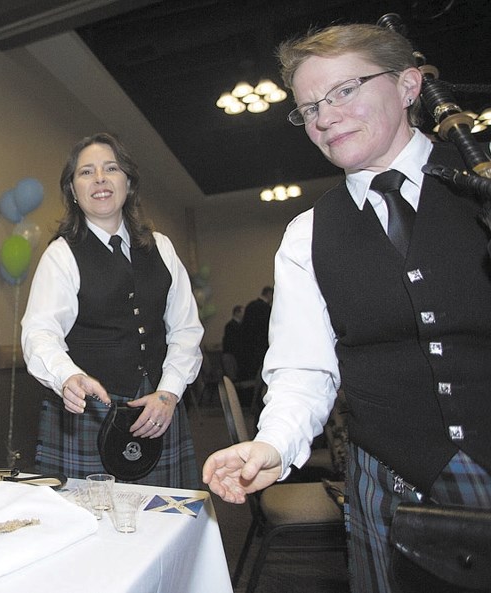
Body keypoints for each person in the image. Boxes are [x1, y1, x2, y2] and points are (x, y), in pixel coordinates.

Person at [202, 23, 491, 593]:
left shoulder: (479, 185)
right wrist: (274, 445)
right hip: (391, 480)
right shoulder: (306, 236)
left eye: (345, 91)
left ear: (409, 85)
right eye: (309, 108)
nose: (325, 117)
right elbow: (306, 369)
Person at [21, 132, 203, 488]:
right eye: (86, 172)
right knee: (91, 530)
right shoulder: (61, 254)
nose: (100, 179)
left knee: (167, 523)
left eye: (111, 169)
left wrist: (169, 392)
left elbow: (186, 330)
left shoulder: (161, 247)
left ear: (128, 182)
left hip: (159, 404)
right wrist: (66, 376)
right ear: (73, 190)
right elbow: (39, 332)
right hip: (90, 413)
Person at [239, 286, 273, 380]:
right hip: (261, 347)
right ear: (269, 294)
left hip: (248, 348)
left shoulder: (250, 305)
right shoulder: (266, 308)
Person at [221, 304, 245, 379]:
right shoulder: (231, 326)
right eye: (242, 312)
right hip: (233, 355)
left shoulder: (232, 325)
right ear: (237, 313)